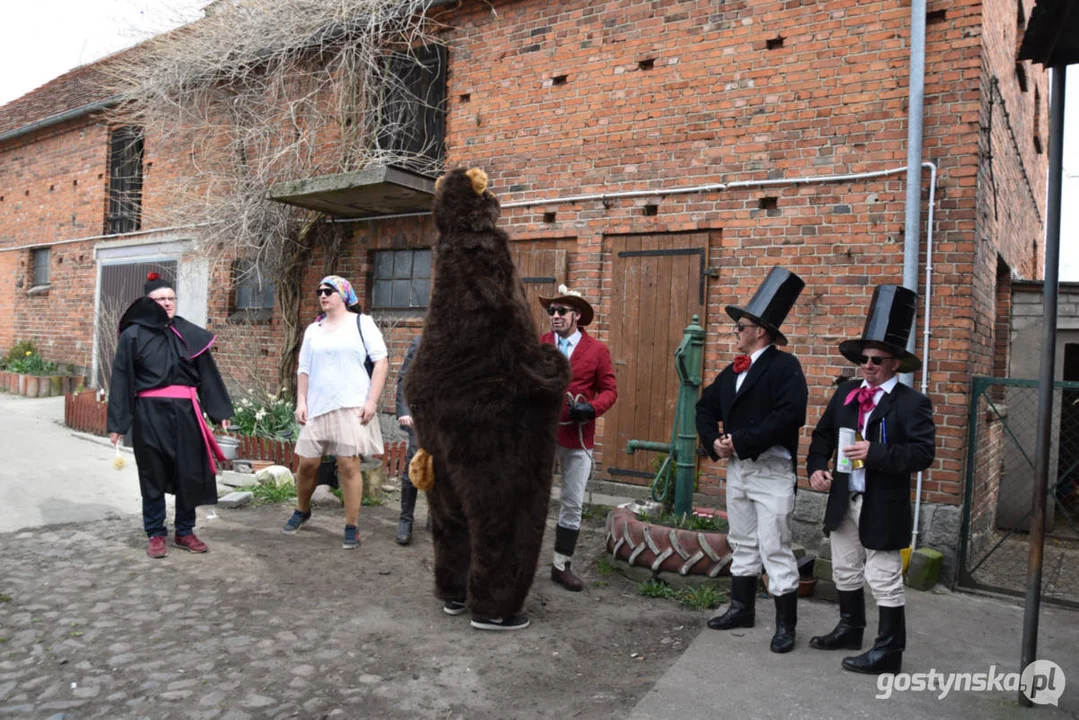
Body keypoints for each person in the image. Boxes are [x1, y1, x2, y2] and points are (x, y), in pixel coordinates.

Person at [806, 284, 936, 675]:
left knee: (883, 577)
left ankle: (889, 652)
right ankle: (850, 628)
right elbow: (822, 435)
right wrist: (816, 467)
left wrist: (875, 453)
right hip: (844, 496)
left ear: (896, 363)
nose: (868, 365)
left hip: (883, 502)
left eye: (877, 359)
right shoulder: (846, 392)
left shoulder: (912, 403)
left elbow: (922, 454)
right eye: (863, 358)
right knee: (845, 568)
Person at [695, 266, 808, 654]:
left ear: (760, 330)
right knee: (742, 541)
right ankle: (741, 609)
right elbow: (704, 408)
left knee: (775, 544)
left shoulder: (785, 367)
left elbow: (790, 416)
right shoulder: (732, 372)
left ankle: (785, 626)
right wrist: (715, 442)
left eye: (739, 326)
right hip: (739, 469)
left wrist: (739, 439)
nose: (735, 332)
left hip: (772, 470)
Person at [107, 272, 234, 559]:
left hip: (187, 412)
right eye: (160, 298)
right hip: (148, 413)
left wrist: (220, 411)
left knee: (188, 472)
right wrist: (118, 423)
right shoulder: (133, 335)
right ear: (147, 302)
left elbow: (207, 376)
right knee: (152, 473)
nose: (166, 303)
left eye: (171, 298)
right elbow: (122, 379)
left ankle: (185, 531)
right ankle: (155, 533)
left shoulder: (190, 333)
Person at [281, 275, 389, 549]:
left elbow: (381, 362)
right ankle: (302, 510)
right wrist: (301, 402)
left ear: (344, 295)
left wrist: (372, 401)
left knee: (348, 465)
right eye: (319, 291)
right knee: (307, 465)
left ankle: (351, 525)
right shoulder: (313, 330)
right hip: (317, 405)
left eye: (329, 290)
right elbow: (303, 369)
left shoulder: (362, 324)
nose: (322, 294)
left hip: (351, 404)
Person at [538, 284, 618, 591]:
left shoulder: (597, 351)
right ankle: (522, 558)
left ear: (577, 316)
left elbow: (610, 390)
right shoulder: (542, 344)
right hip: (542, 435)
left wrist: (592, 408)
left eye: (561, 311)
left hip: (578, 436)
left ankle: (561, 564)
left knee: (571, 502)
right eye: (551, 311)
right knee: (533, 499)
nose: (555, 316)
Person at [394, 335, 421, 545]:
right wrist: (404, 411)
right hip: (420, 418)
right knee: (414, 465)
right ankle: (406, 520)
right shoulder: (421, 342)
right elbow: (404, 379)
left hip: (449, 420)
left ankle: (439, 517)